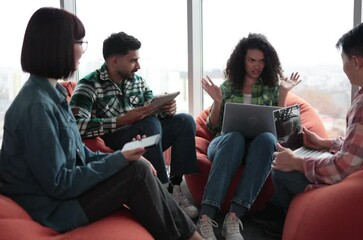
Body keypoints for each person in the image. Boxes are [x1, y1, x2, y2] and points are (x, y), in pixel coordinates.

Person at [0, 7, 202, 240]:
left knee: (139, 165)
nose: (82, 50)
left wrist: (125, 156)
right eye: (79, 42)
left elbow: (81, 156)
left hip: (63, 195)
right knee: (137, 172)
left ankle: (191, 234)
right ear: (57, 46)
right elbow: (60, 184)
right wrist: (120, 158)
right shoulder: (36, 106)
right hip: (53, 208)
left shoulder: (53, 93)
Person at [259, 22, 363, 238]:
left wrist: (297, 162)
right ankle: (278, 212)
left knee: (281, 167)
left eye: (343, 61)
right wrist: (325, 143)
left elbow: (343, 169)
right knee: (295, 158)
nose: (343, 68)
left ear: (356, 62)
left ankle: (282, 220)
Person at [69, 32, 199, 218]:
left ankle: (175, 186)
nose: (138, 66)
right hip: (115, 142)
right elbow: (75, 125)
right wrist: (121, 120)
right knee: (148, 124)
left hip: (145, 135)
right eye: (133, 61)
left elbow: (151, 107)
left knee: (185, 120)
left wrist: (166, 109)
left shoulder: (137, 81)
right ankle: (163, 193)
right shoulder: (89, 85)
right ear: (114, 61)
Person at [198, 33, 301, 240]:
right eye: (251, 60)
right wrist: (218, 102)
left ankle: (234, 217)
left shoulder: (272, 88)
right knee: (235, 137)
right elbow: (211, 126)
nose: (257, 66)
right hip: (225, 144)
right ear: (241, 60)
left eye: (262, 61)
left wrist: (282, 94)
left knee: (267, 139)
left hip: (257, 149)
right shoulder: (227, 87)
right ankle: (205, 218)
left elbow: (280, 131)